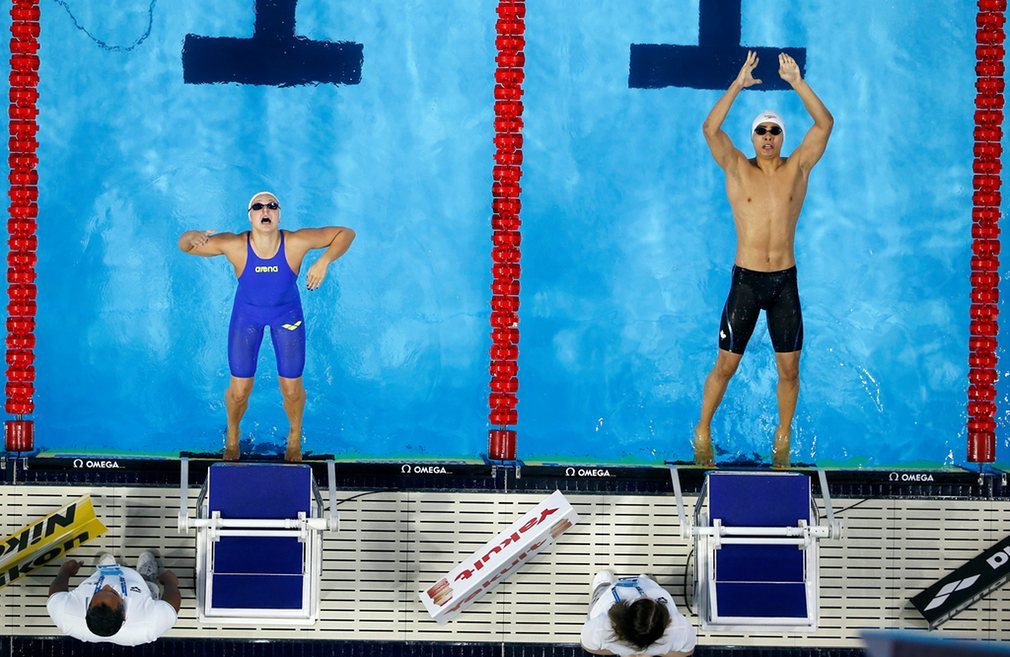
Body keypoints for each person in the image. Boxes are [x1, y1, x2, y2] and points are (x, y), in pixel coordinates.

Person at [693, 52, 833, 468]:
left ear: (782, 136)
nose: (768, 137)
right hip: (747, 283)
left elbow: (825, 124)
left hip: (784, 282)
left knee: (789, 371)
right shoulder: (737, 168)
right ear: (752, 138)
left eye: (774, 131)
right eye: (761, 131)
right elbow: (709, 129)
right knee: (725, 365)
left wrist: (797, 83)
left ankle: (782, 438)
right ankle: (703, 428)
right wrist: (737, 84)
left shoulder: (798, 169)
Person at [178, 192, 355, 462]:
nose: (266, 210)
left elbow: (346, 233)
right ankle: (233, 434)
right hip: (247, 318)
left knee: (292, 389)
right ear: (250, 215)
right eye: (258, 206)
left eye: (272, 206)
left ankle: (294, 434)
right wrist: (192, 234)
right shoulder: (235, 245)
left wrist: (324, 261)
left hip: (287, 317)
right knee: (239, 392)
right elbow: (185, 246)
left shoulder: (296, 242)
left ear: (278, 214)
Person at [47, 552, 180, 646]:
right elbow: (171, 605)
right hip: (138, 587)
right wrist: (170, 582)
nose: (107, 586)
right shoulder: (149, 624)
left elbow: (56, 593)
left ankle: (105, 570)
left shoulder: (65, 615)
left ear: (87, 609)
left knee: (102, 580)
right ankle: (146, 578)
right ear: (123, 614)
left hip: (101, 576)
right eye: (113, 593)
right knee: (150, 589)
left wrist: (65, 571)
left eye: (99, 592)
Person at [581, 571, 696, 657]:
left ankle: (602, 587)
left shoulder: (600, 627)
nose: (644, 595)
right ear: (667, 622)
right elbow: (687, 652)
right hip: (650, 585)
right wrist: (655, 651)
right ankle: (649, 580)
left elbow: (588, 646)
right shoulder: (680, 627)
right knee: (649, 582)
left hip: (607, 597)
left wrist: (623, 652)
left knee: (601, 594)